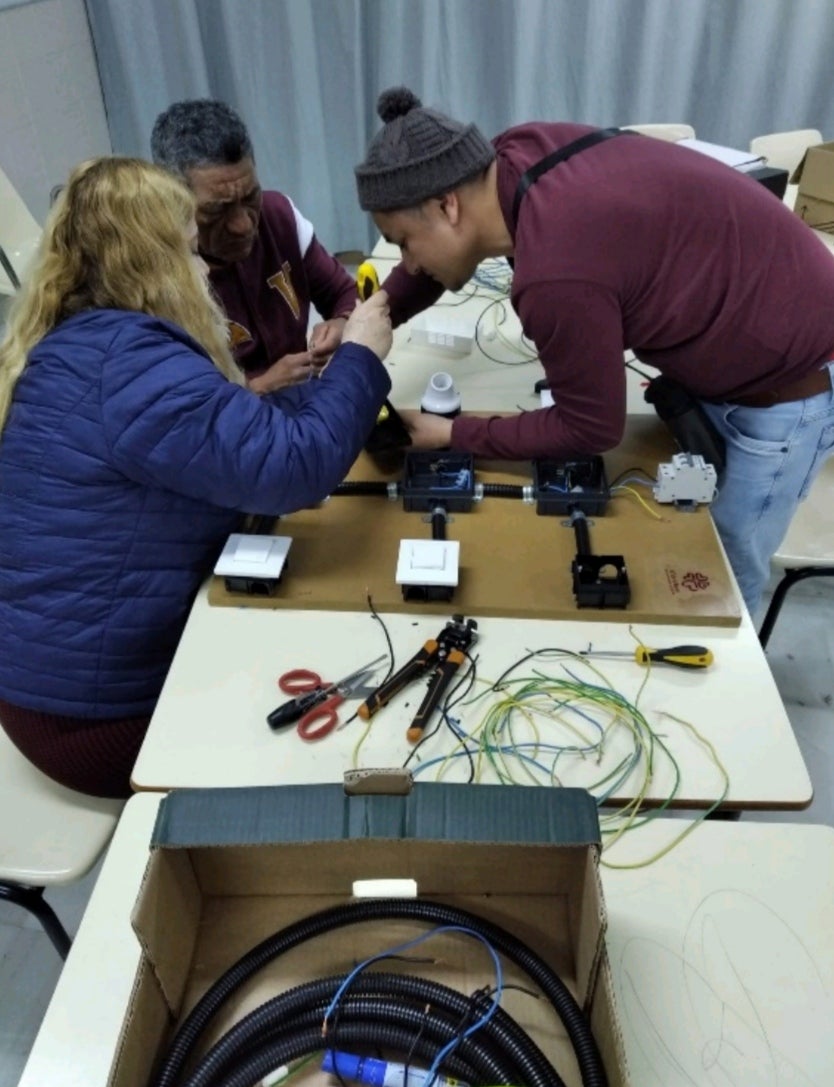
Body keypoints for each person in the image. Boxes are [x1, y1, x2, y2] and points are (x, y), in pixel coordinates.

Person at [354, 87, 834, 616]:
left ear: (448, 205)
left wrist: (448, 431)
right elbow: (443, 254)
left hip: (786, 388)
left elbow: (590, 428)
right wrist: (377, 311)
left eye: (402, 241)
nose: (408, 262)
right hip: (759, 320)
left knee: (719, 582)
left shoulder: (554, 272)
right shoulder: (516, 154)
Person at [0, 156, 392, 798]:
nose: (206, 267)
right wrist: (360, 357)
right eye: (189, 249)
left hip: (52, 687)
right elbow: (294, 470)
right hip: (93, 725)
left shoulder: (84, 346)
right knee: (329, 742)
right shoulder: (133, 368)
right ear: (149, 264)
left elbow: (237, 430)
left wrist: (324, 390)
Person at [151, 98, 358, 394]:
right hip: (235, 430)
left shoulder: (278, 216)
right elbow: (176, 409)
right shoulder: (155, 280)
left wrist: (340, 326)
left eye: (250, 198)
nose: (244, 225)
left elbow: (344, 294)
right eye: (216, 211)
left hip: (304, 410)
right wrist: (259, 387)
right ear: (171, 201)